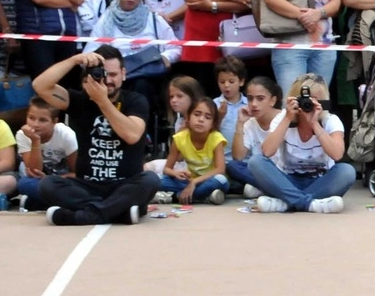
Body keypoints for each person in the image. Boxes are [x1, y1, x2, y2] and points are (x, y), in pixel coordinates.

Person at [31, 44, 160, 225]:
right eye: (102, 74)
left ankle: (85, 216)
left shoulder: (136, 100)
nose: (108, 81)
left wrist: (102, 101)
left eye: (114, 75)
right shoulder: (79, 100)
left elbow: (131, 135)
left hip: (124, 184)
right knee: (48, 185)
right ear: (90, 77)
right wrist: (75, 59)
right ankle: (118, 212)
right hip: (87, 186)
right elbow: (40, 85)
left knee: (150, 180)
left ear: (123, 74)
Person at [248, 73, 355, 213]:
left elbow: (337, 154)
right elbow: (267, 151)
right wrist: (287, 118)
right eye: (305, 100)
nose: (308, 105)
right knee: (255, 162)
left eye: (315, 100)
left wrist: (315, 124)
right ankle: (311, 204)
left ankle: (285, 203)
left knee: (347, 171)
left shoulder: (330, 120)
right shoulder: (283, 118)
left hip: (320, 181)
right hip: (288, 180)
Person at [84, 0, 180, 105]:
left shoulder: (153, 18)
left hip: (146, 77)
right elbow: (87, 54)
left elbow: (176, 48)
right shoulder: (105, 20)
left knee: (141, 85)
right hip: (115, 78)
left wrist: (165, 57)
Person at [157, 98, 228, 205]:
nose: (201, 120)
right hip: (188, 181)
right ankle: (204, 197)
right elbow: (167, 169)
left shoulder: (216, 138)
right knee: (157, 180)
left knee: (220, 180)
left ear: (213, 124)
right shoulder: (179, 138)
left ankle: (175, 196)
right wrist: (176, 173)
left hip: (209, 180)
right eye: (197, 114)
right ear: (188, 118)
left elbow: (220, 170)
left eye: (207, 117)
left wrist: (195, 182)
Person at [15, 96, 79, 211]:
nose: (35, 124)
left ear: (55, 122)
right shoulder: (22, 135)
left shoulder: (66, 135)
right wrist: (35, 140)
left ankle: (41, 203)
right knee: (24, 184)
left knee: (79, 185)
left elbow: (78, 173)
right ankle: (62, 202)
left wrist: (52, 179)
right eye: (31, 118)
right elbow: (34, 171)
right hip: (38, 180)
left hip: (62, 179)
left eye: (43, 120)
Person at [227, 75, 280, 197]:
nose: (254, 104)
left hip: (283, 172)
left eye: (260, 99)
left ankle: (269, 189)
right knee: (232, 167)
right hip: (261, 173)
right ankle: (273, 189)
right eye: (250, 99)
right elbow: (238, 157)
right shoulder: (250, 122)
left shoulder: (285, 118)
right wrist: (240, 123)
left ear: (272, 100)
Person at [213, 56, 247, 161]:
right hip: (222, 160)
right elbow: (208, 135)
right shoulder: (214, 104)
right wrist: (219, 117)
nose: (226, 85)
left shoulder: (249, 104)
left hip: (246, 159)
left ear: (241, 82)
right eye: (222, 82)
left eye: (231, 81)